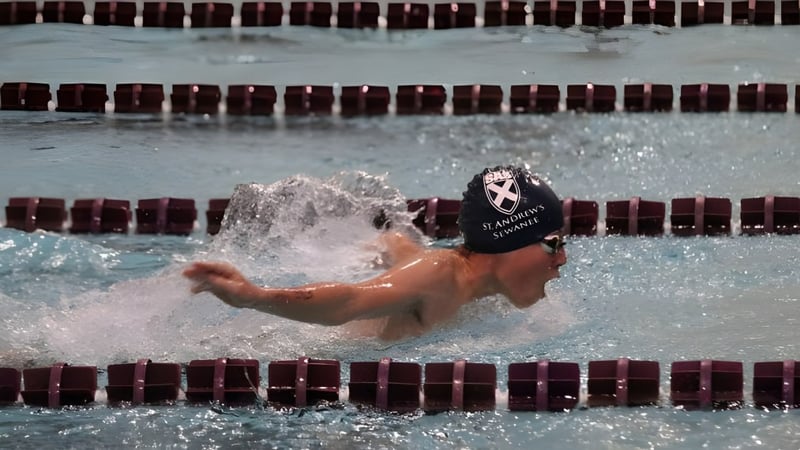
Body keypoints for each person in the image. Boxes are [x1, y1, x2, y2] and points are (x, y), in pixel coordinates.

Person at [183, 165, 568, 340]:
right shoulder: (441, 275)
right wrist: (255, 297)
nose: (561, 258)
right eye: (552, 243)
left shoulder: (477, 287)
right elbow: (349, 301)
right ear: (505, 243)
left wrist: (388, 241)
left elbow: (409, 259)